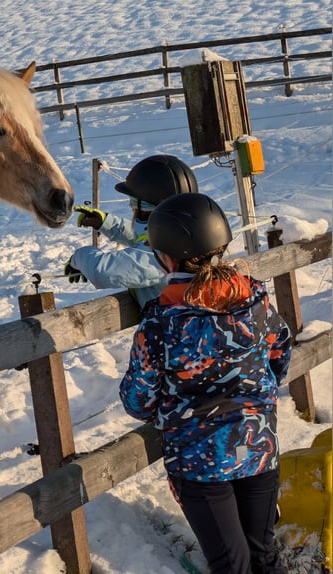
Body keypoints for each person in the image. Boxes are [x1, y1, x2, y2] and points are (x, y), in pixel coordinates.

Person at [119, 193, 292, 574]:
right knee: (264, 553)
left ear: (165, 258)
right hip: (258, 447)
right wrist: (254, 395)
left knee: (232, 564)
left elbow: (137, 400)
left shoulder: (161, 322)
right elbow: (280, 352)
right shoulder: (254, 300)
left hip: (200, 463)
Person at [64, 154, 198, 308]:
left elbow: (102, 271)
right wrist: (106, 222)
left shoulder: (164, 253)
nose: (131, 207)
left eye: (134, 202)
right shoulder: (189, 235)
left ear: (151, 207)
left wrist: (78, 258)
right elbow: (143, 239)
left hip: (172, 330)